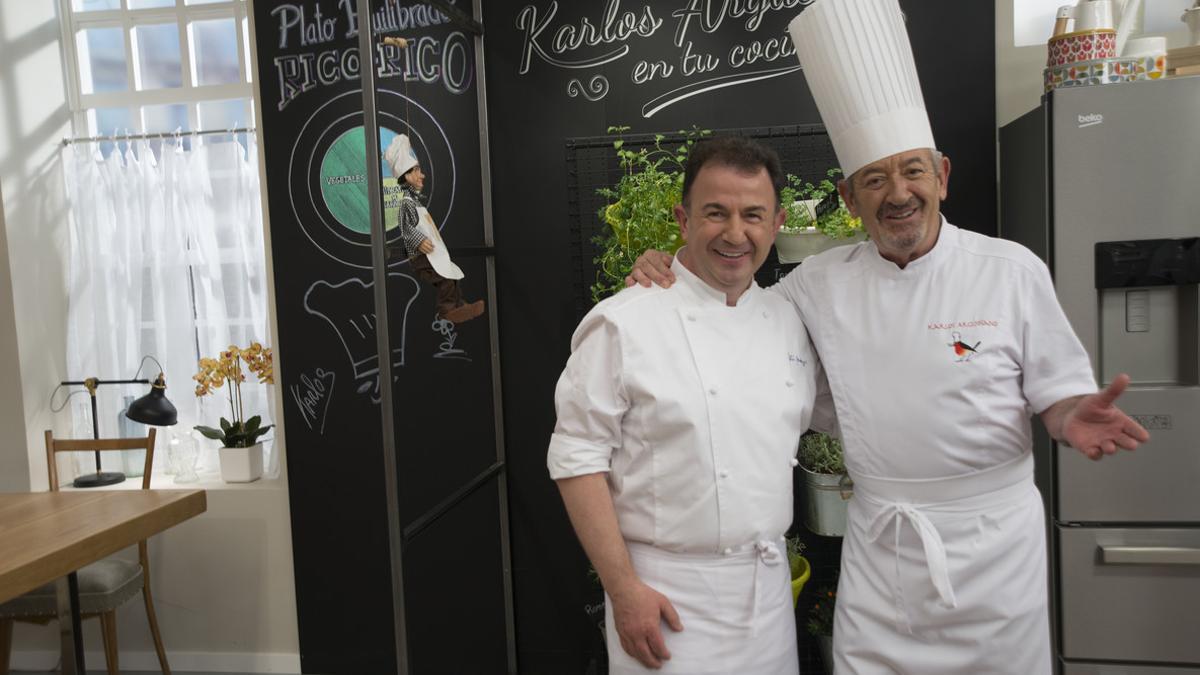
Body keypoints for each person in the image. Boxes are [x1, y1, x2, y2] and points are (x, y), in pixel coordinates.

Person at [626, 1, 1150, 672]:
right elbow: (733, 316)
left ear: (943, 176)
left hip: (994, 557)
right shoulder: (818, 282)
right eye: (874, 178)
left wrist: (1075, 414)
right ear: (849, 198)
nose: (896, 192)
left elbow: (1058, 394)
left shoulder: (1011, 271)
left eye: (912, 170)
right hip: (881, 549)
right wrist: (671, 265)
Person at [548, 137, 828, 674]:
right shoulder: (625, 321)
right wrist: (623, 589)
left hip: (767, 596)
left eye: (753, 215)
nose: (734, 233)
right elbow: (576, 460)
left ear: (777, 224)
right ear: (683, 218)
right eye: (715, 213)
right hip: (661, 597)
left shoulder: (788, 320)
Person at [384, 134, 484, 324]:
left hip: (433, 254)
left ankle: (459, 305)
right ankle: (447, 310)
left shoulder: (416, 202)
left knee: (452, 276)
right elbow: (407, 230)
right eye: (416, 171)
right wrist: (419, 241)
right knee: (445, 279)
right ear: (406, 175)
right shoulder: (407, 204)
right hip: (422, 258)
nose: (421, 175)